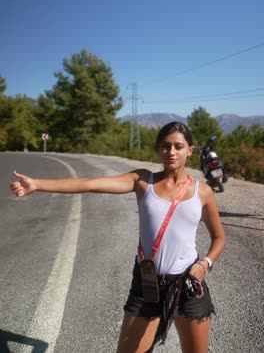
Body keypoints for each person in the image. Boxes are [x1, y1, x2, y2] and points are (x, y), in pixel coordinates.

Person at [10, 121, 225, 353]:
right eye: (165, 146)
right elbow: (90, 184)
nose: (171, 152)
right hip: (147, 282)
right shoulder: (143, 181)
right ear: (158, 149)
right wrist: (37, 184)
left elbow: (219, 238)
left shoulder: (202, 192)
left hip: (188, 283)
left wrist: (206, 264)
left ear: (190, 150)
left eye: (178, 146)